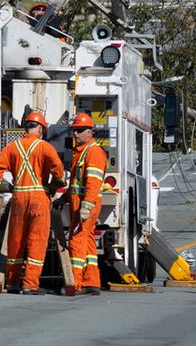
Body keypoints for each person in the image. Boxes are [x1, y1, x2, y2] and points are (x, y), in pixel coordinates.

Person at [0, 111, 64, 295]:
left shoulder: (12, 147)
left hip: (19, 197)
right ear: (40, 128)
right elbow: (59, 172)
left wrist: (5, 187)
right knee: (36, 241)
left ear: (26, 127)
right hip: (38, 197)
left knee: (16, 240)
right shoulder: (45, 147)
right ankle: (30, 284)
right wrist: (54, 186)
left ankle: (13, 282)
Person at [67, 112, 107, 294]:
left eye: (80, 130)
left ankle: (74, 284)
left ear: (90, 132)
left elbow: (93, 183)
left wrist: (86, 206)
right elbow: (76, 183)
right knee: (88, 241)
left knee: (76, 240)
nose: (76, 134)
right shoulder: (81, 152)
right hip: (80, 204)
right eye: (74, 130)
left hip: (86, 205)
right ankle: (92, 282)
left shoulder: (93, 152)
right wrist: (63, 199)